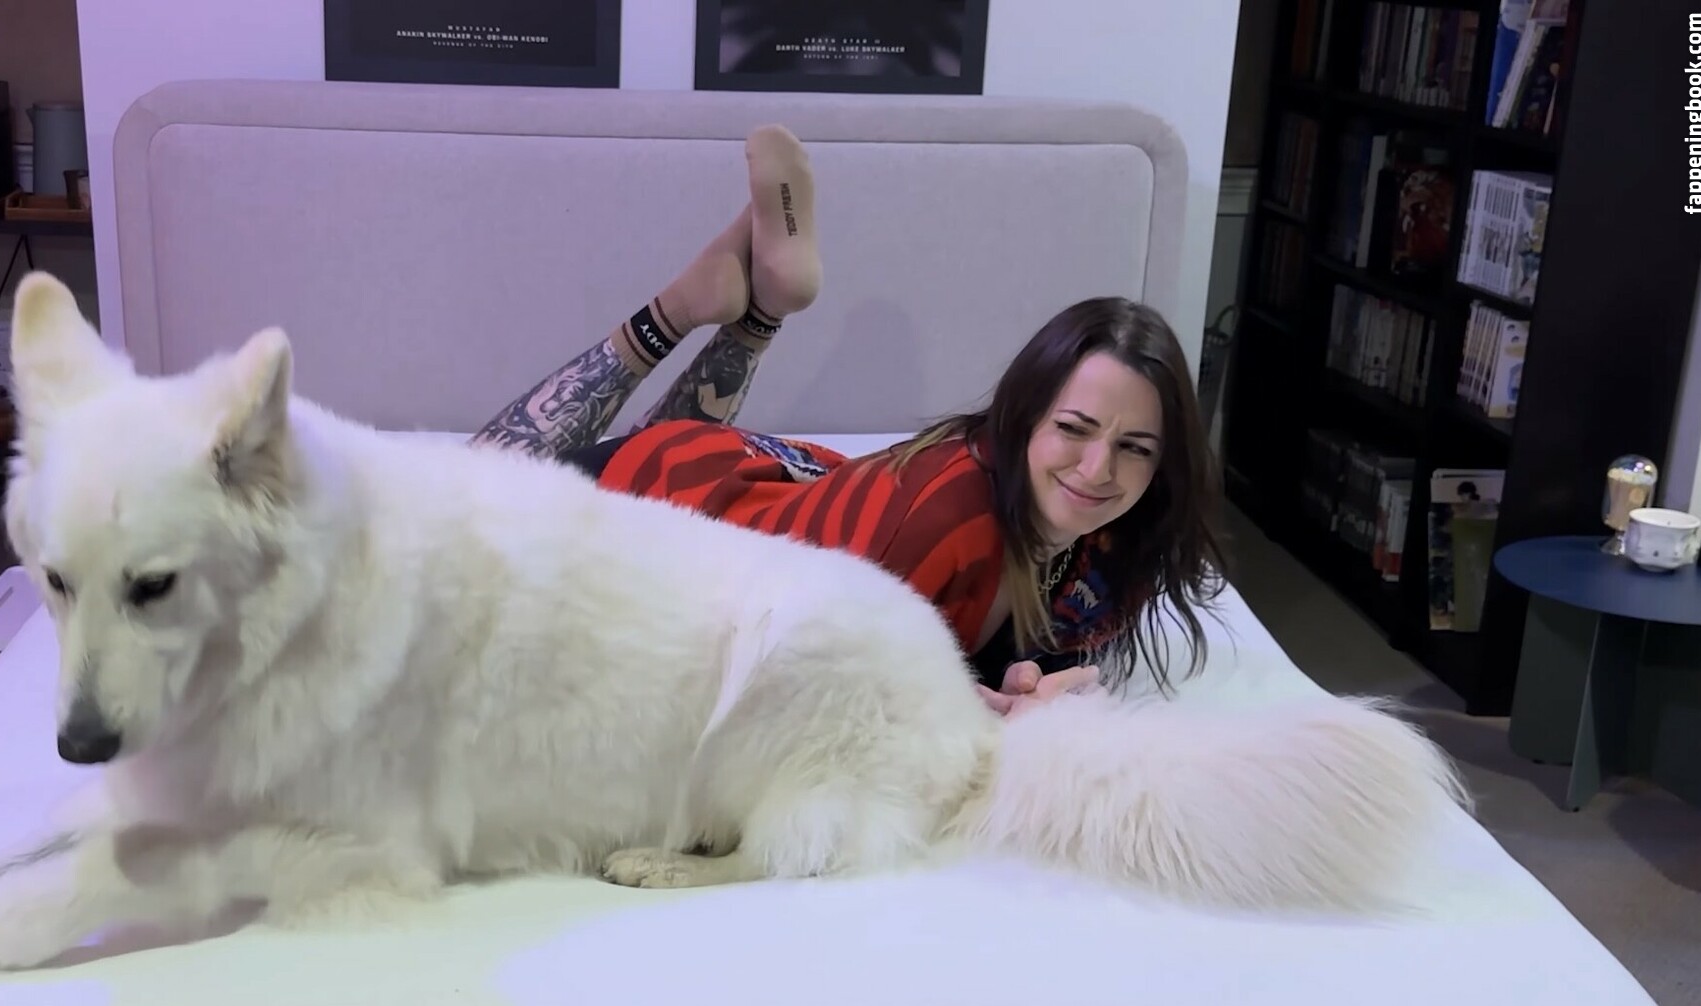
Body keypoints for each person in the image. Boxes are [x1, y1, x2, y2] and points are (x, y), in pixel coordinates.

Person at [472, 125, 1228, 715]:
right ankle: (679, 312)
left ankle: (754, 312)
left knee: (661, 449)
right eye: (1073, 429)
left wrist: (1052, 691)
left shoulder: (1118, 537)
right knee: (473, 489)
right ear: (1025, 415)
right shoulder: (941, 531)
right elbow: (803, 694)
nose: (1098, 470)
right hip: (670, 512)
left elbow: (1050, 659)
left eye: (1135, 447)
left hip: (768, 485)